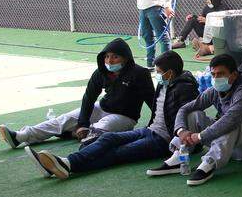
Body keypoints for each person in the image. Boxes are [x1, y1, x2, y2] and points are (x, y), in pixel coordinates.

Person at [24, 51, 199, 179]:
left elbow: (184, 119)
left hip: (163, 140)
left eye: (160, 72)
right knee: (108, 139)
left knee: (118, 153)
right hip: (150, 130)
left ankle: (68, 165)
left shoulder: (185, 89)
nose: (157, 75)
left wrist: (177, 144)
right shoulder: (165, 84)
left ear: (170, 72)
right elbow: (156, 110)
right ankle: (63, 164)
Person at [0, 38, 153, 149]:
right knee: (64, 119)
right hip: (102, 107)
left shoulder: (140, 73)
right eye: (106, 56)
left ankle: (76, 136)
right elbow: (89, 97)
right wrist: (82, 124)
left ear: (125, 58)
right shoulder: (100, 73)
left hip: (124, 117)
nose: (109, 61)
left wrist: (155, 126)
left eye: (115, 56)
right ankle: (20, 136)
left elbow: (152, 100)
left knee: (96, 134)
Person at [148, 54, 242, 186]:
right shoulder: (214, 91)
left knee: (233, 122)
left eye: (221, 74)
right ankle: (179, 157)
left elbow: (231, 120)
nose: (216, 78)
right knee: (194, 114)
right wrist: (181, 131)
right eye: (213, 74)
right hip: (230, 147)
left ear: (234, 75)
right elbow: (184, 109)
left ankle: (209, 164)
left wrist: (200, 136)